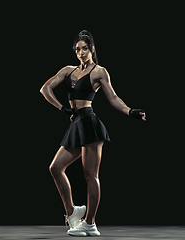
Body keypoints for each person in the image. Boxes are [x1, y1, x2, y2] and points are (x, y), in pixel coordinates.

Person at [40, 30, 146, 237]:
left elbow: (113, 98)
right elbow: (45, 89)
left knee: (91, 176)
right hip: (76, 123)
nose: (81, 52)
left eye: (85, 48)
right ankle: (72, 211)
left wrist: (130, 111)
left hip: (89, 123)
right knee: (55, 167)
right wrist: (62, 108)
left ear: (92, 49)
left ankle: (90, 223)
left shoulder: (99, 72)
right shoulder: (68, 70)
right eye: (78, 49)